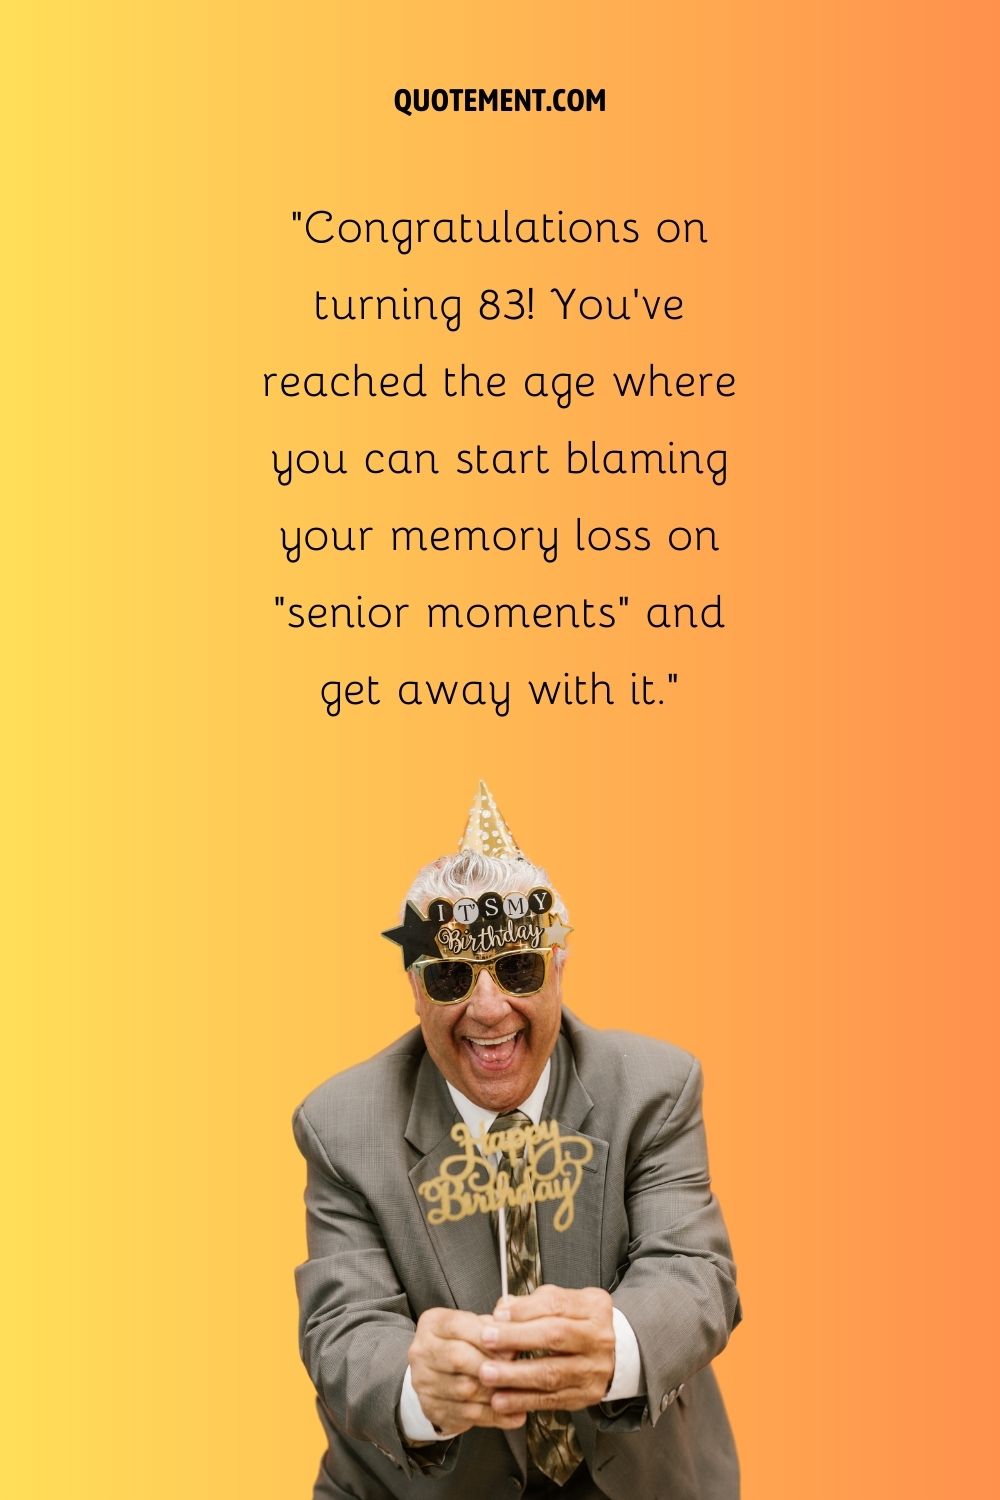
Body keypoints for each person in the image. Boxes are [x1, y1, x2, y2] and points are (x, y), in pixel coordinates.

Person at [293, 784, 741, 1498]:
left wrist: (615, 1347)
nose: (489, 1009)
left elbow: (693, 1273)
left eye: (518, 969)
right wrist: (419, 1385)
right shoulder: (341, 1126)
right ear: (414, 987)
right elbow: (343, 1326)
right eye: (450, 976)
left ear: (559, 967)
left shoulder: (656, 1087)